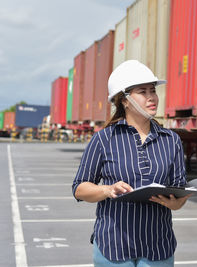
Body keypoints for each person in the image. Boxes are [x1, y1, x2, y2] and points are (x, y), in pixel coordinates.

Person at [72, 60, 190, 266]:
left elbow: (180, 192)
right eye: (143, 92)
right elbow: (79, 188)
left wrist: (176, 203)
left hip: (158, 248)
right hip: (113, 246)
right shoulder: (104, 139)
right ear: (124, 100)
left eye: (153, 91)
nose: (152, 97)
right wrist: (108, 190)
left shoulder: (171, 140)